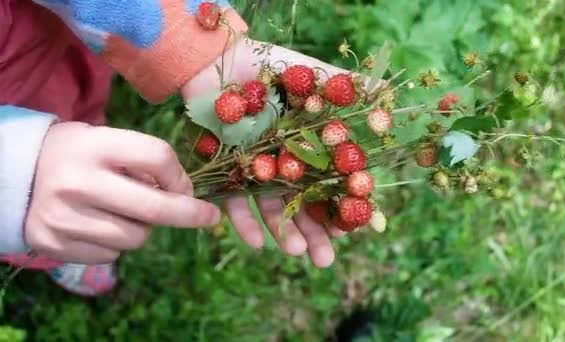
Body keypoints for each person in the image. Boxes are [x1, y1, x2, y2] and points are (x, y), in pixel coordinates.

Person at [0, 0, 346, 297]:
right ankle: (51, 248)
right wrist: (17, 175)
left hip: (38, 39)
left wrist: (195, 44)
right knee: (46, 201)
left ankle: (75, 183)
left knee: (75, 125)